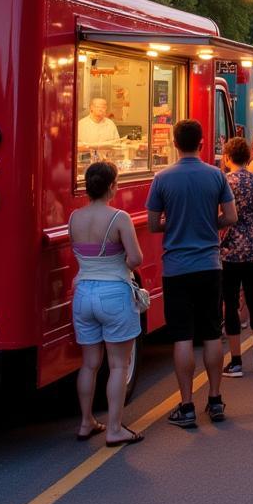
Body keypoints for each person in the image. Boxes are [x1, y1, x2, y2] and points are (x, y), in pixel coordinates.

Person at [147, 120, 238, 428]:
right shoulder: (216, 176)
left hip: (176, 268)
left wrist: (173, 225)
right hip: (210, 265)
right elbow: (231, 216)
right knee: (212, 333)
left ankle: (186, 405)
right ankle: (214, 400)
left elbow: (152, 224)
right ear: (202, 143)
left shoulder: (162, 178)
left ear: (175, 143)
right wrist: (209, 224)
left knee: (182, 337)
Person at [70, 162, 144, 446]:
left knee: (89, 364)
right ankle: (114, 428)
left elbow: (79, 254)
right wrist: (118, 266)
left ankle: (86, 421)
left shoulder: (75, 217)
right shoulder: (119, 218)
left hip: (83, 293)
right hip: (113, 292)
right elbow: (135, 259)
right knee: (117, 365)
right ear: (112, 186)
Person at [220, 137, 253, 378]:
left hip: (230, 249)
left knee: (230, 303)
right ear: (247, 157)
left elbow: (220, 214)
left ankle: (236, 360)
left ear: (228, 158)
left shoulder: (225, 182)